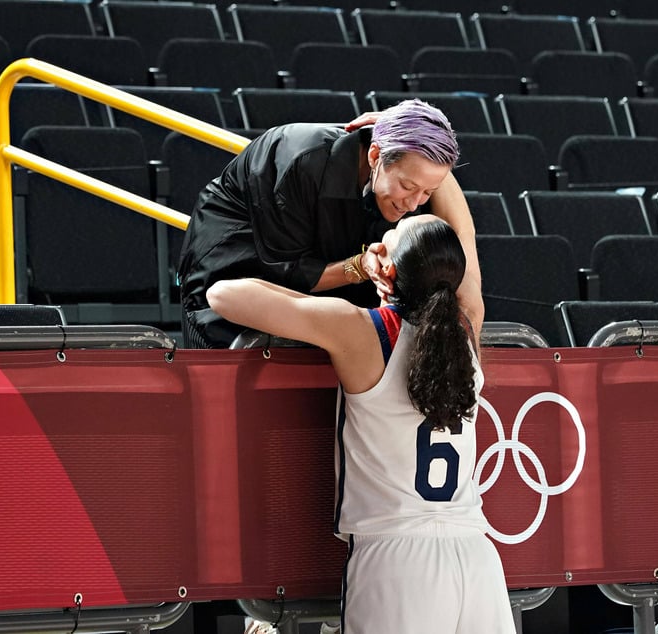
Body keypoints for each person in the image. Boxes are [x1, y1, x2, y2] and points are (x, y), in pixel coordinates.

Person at [207, 215, 516, 634]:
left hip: (397, 564)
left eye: (385, 241)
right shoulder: (466, 329)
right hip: (477, 559)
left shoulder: (360, 330)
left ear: (387, 268)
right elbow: (466, 235)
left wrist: (354, 269)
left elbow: (223, 294)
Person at [178, 99, 484, 349]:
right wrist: (360, 267)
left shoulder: (407, 173)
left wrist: (418, 138)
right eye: (407, 186)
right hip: (234, 276)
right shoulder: (302, 158)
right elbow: (289, 272)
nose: (415, 203)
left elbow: (462, 239)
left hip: (322, 292)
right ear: (376, 155)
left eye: (428, 191)